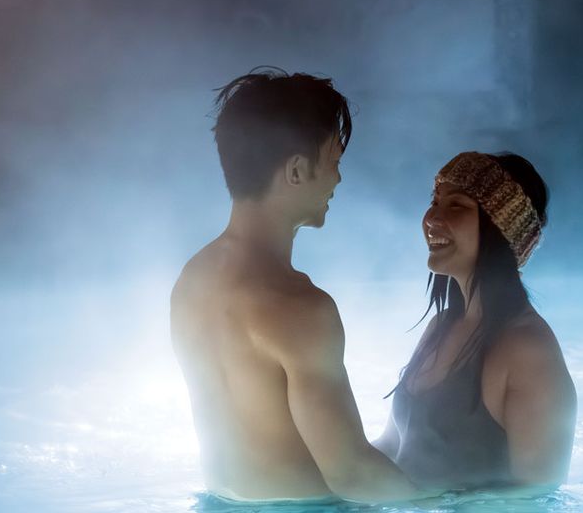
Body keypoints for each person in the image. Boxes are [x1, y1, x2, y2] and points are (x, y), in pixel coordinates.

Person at [170, 69, 419, 503]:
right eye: (334, 162)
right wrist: (442, 506)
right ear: (298, 171)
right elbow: (353, 474)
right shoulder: (298, 307)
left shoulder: (192, 279)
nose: (338, 179)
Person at [374, 151, 577, 492]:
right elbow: (392, 448)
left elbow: (536, 496)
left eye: (456, 205)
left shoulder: (528, 350)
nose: (431, 218)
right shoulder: (440, 327)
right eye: (434, 201)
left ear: (501, 230)